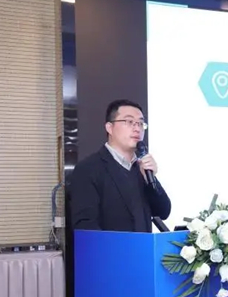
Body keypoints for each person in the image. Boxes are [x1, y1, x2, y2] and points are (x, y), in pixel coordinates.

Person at [69, 99, 171, 232]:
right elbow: (86, 225)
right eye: (129, 122)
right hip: (111, 246)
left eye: (140, 123)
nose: (137, 128)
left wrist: (151, 181)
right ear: (109, 128)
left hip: (143, 245)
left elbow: (163, 212)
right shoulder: (88, 169)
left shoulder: (142, 169)